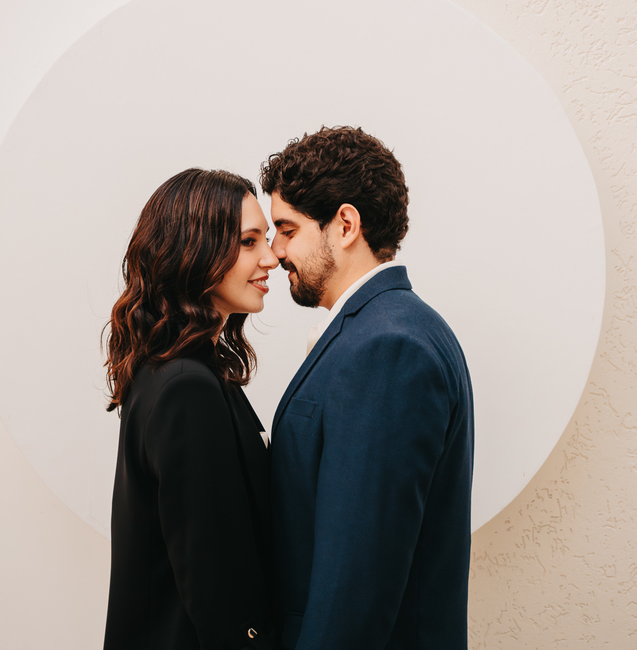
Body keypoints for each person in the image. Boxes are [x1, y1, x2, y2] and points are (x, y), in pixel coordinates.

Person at [260, 127, 474, 650]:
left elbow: (355, 585)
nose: (275, 250)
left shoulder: (388, 349)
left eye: (287, 229)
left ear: (345, 225)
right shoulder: (392, 327)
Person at [103, 168, 280, 650]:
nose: (271, 258)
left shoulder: (174, 371)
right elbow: (217, 585)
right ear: (195, 251)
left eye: (266, 239)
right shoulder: (187, 386)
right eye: (249, 242)